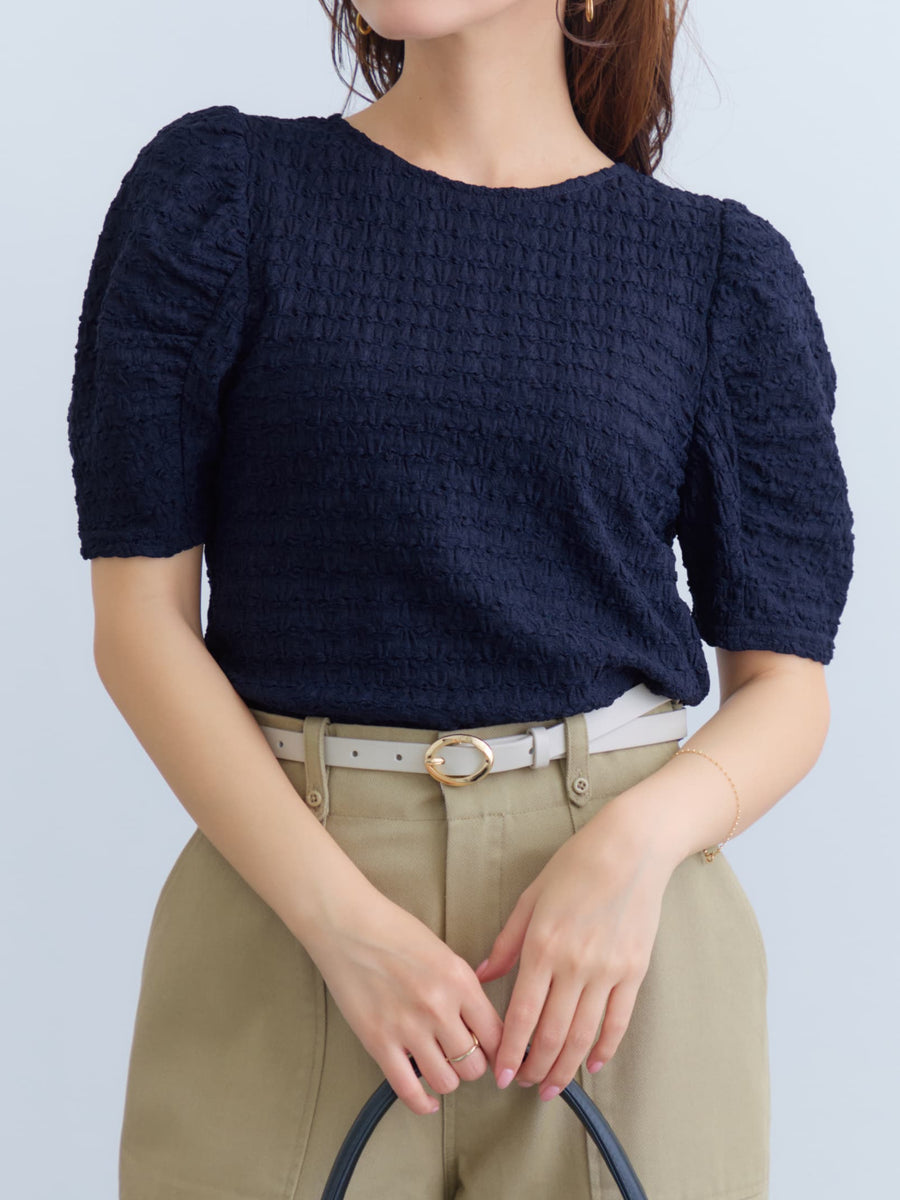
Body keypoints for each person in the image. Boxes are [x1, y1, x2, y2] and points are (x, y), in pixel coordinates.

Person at [66, 1, 854, 1197]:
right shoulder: (218, 199)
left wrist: (636, 848)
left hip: (613, 948)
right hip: (286, 908)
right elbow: (138, 627)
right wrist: (341, 922)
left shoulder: (717, 272)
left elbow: (787, 690)